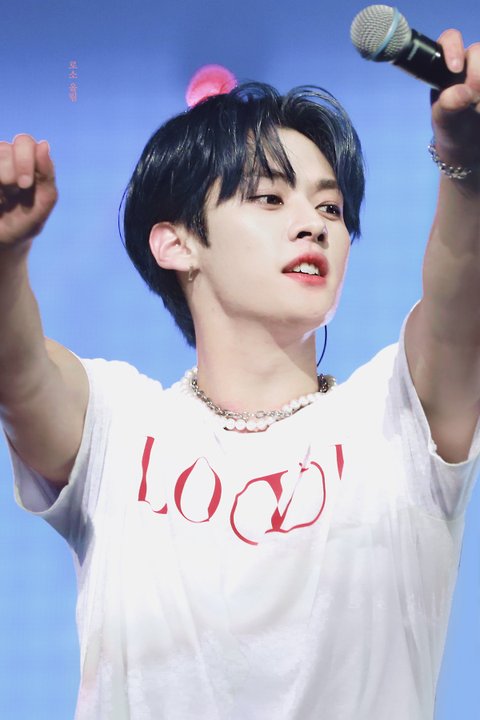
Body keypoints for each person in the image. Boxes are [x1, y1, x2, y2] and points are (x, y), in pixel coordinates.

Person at [0, 28, 479, 720]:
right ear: (176, 243)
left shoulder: (396, 419)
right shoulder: (119, 426)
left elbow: (462, 290)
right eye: (269, 198)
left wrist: (466, 164)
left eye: (330, 207)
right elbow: (17, 372)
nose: (313, 225)